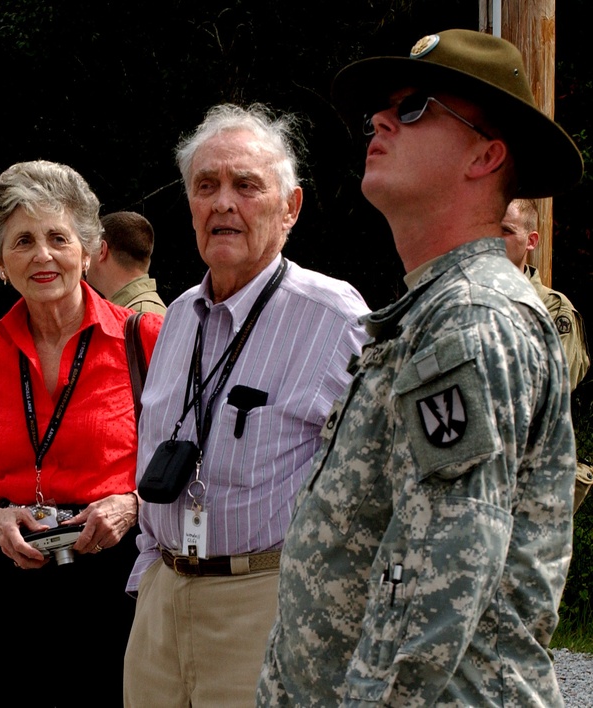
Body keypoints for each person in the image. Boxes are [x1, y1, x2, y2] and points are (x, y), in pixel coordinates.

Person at [259, 29, 583, 706]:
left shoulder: (472, 318)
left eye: (413, 108)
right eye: (384, 108)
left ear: (484, 155)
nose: (380, 119)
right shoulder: (426, 312)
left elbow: (443, 568)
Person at [123, 103, 369, 707]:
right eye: (206, 186)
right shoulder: (177, 317)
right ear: (189, 206)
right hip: (162, 600)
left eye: (247, 185)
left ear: (291, 208)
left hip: (267, 602)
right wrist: (149, 576)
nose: (223, 203)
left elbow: (378, 489)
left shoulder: (336, 318)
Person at [0, 160, 163, 707]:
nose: (42, 256)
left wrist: (132, 505)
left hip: (117, 575)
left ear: (89, 249)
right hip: (11, 579)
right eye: (22, 241)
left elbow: (193, 464)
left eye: (58, 237)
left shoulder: (146, 339)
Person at [501, 197, 589, 390]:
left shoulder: (554, 310)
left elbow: (552, 388)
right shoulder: (464, 300)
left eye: (505, 231)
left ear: (531, 241)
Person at [85, 210, 167, 314]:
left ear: (102, 250)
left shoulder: (141, 316)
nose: (85, 259)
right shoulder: (135, 311)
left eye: (89, 249)